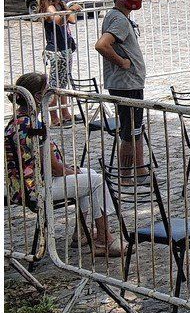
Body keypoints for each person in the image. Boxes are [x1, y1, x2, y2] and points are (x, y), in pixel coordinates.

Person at [4, 72, 124, 256]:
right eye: (48, 93)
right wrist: (69, 171)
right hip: (36, 188)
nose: (52, 97)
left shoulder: (16, 122)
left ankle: (81, 233)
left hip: (23, 184)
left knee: (88, 174)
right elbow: (56, 169)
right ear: (37, 97)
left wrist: (71, 170)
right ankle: (104, 239)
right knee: (96, 180)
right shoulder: (33, 128)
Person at [93, 0, 147, 175]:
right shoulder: (119, 20)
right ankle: (124, 175)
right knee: (129, 132)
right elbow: (101, 45)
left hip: (131, 83)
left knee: (135, 129)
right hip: (126, 85)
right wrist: (122, 62)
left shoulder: (118, 17)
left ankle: (140, 170)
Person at [38, 0, 83, 126]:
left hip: (66, 47)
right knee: (54, 84)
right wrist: (70, 10)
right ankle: (53, 117)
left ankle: (66, 113)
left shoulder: (60, 5)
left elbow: (72, 20)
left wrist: (69, 9)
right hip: (55, 50)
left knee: (63, 83)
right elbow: (57, 20)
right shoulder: (49, 7)